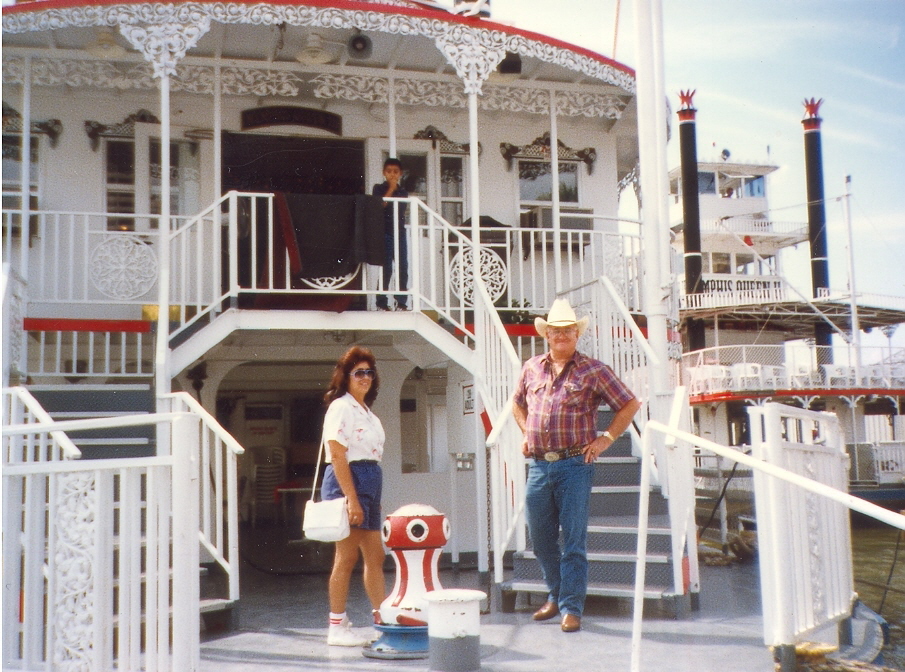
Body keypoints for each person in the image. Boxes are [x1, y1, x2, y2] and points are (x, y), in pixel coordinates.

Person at [512, 299, 642, 633]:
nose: (561, 336)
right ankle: (555, 596)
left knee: (573, 541)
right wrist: (527, 431)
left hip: (574, 465)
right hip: (540, 467)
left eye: (568, 330)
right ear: (547, 334)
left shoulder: (594, 370)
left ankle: (572, 607)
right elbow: (517, 404)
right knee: (540, 539)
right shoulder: (531, 368)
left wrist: (605, 440)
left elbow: (629, 404)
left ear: (576, 334)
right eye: (556, 331)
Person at [320, 346, 387, 646]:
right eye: (358, 372)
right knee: (346, 556)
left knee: (375, 555)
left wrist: (368, 496)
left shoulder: (367, 412)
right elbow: (337, 455)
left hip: (369, 482)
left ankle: (382, 617)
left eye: (368, 372)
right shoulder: (341, 407)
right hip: (349, 482)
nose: (365, 377)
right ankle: (336, 625)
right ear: (345, 377)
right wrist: (352, 499)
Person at [371, 157, 409, 311]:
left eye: (395, 172)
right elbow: (379, 205)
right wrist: (391, 189)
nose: (392, 175)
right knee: (386, 267)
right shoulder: (378, 188)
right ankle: (381, 302)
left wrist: (395, 189)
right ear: (384, 173)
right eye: (389, 171)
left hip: (399, 232)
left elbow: (400, 208)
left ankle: (400, 302)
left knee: (402, 267)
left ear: (400, 174)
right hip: (384, 231)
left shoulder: (403, 192)